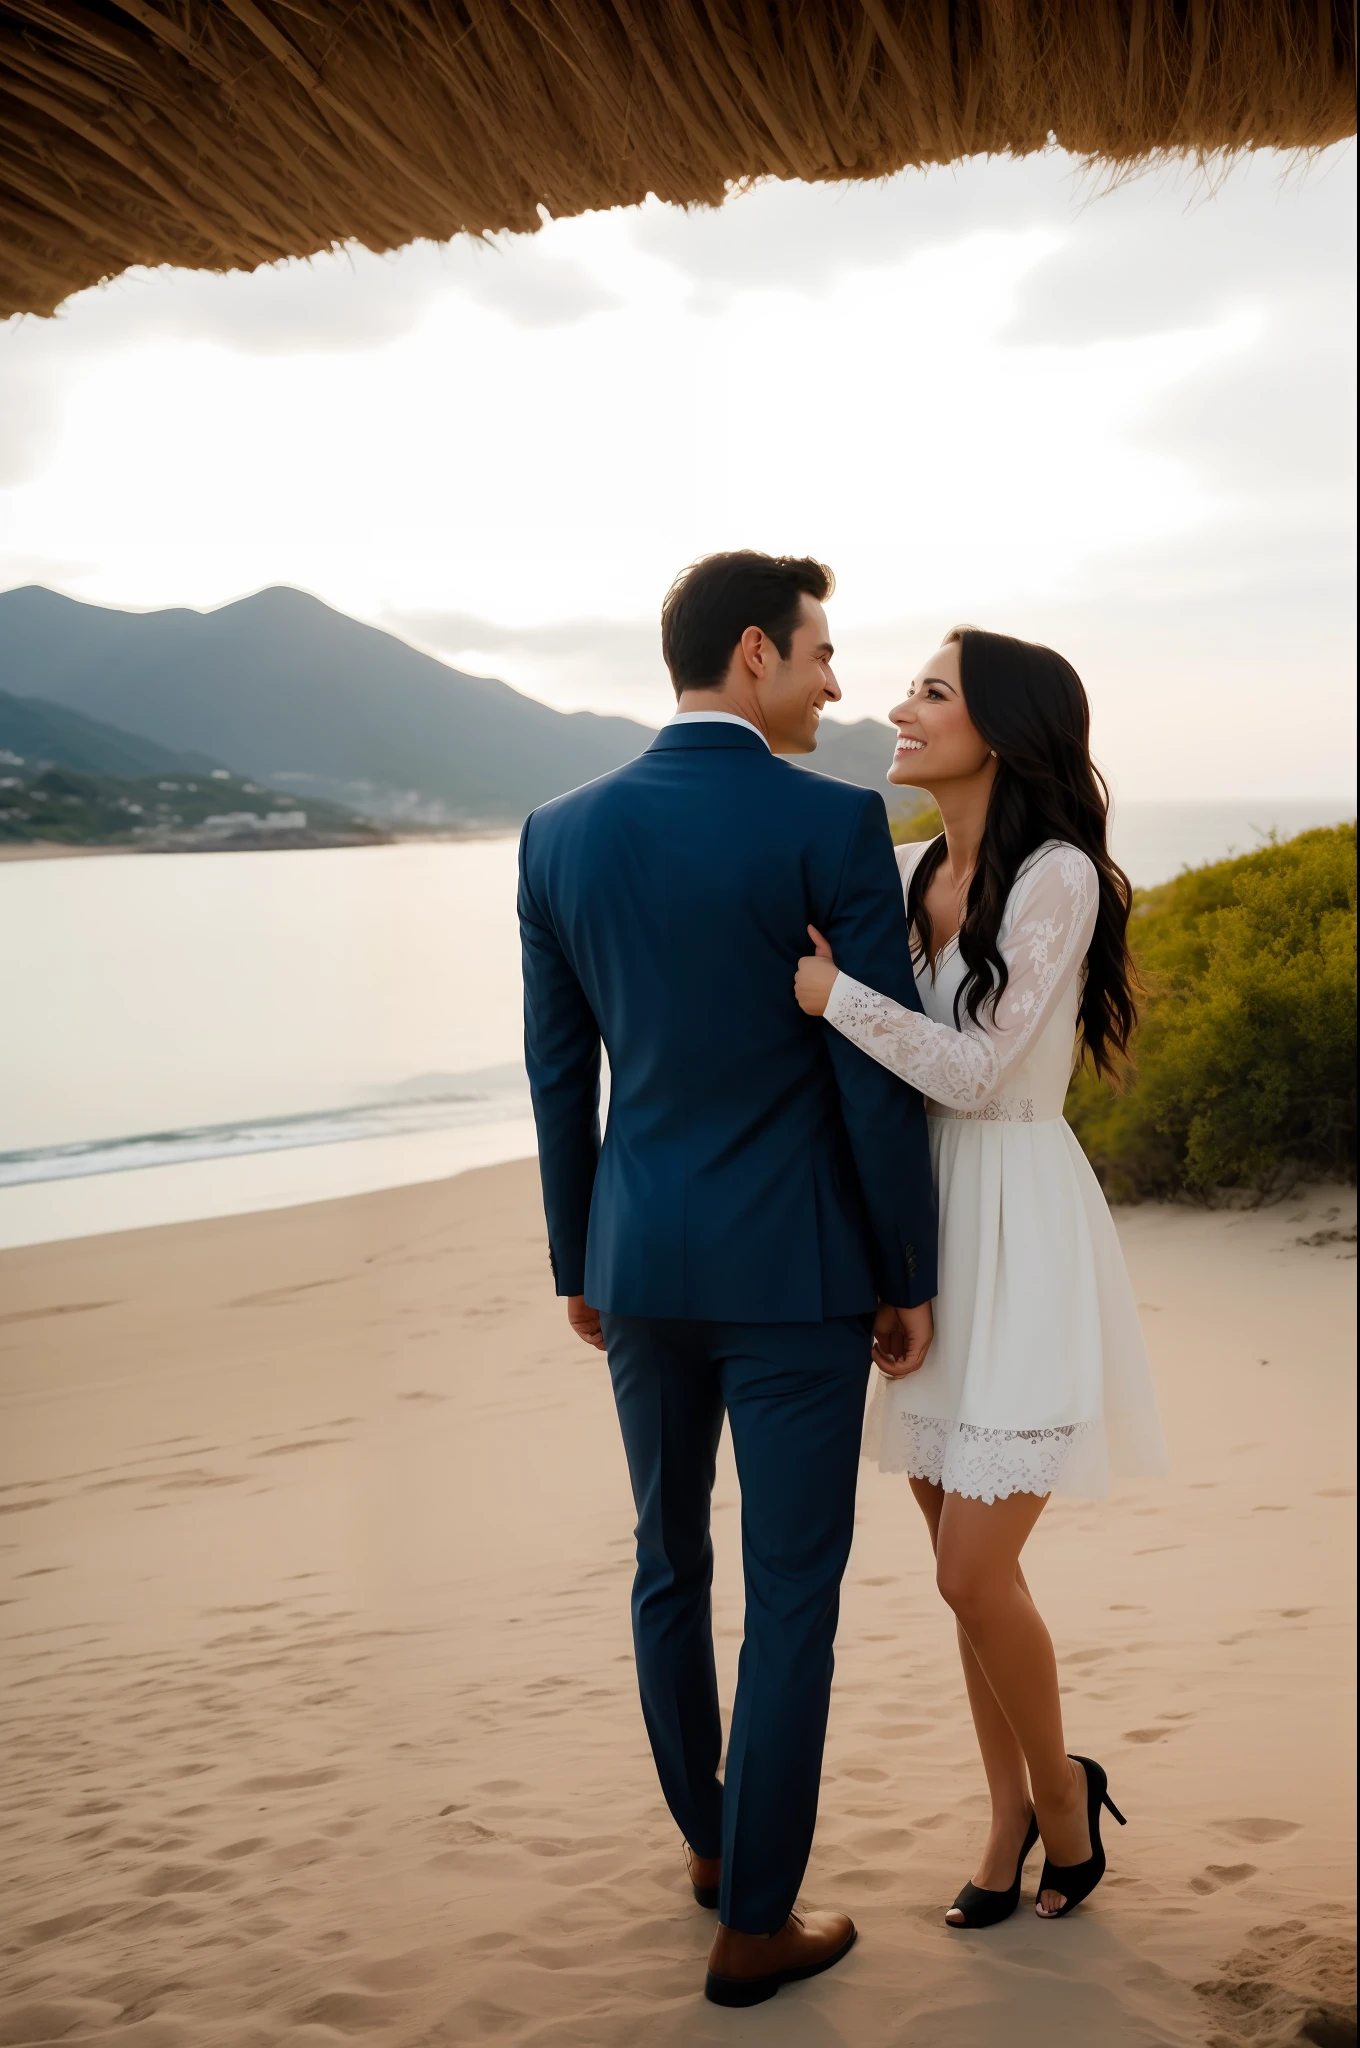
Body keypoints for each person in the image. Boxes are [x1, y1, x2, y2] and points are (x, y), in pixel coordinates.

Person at [518, 551, 938, 2007]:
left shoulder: (558, 833)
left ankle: (713, 1843)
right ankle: (756, 1921)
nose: (836, 678)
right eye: (823, 649)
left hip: (638, 1261)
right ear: (755, 652)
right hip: (800, 1269)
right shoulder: (834, 821)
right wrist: (906, 1268)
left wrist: (580, 1255)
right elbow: (874, 1067)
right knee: (795, 1592)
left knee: (666, 1561)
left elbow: (559, 1072)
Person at [795, 627, 1167, 1925]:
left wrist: (834, 995)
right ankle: (1007, 1814)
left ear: (999, 729)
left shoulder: (1059, 876)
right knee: (963, 1576)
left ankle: (1064, 1797)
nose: (897, 707)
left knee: (971, 1570)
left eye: (930, 692)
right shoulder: (904, 869)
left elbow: (973, 1072)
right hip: (930, 1233)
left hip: (1023, 1222)